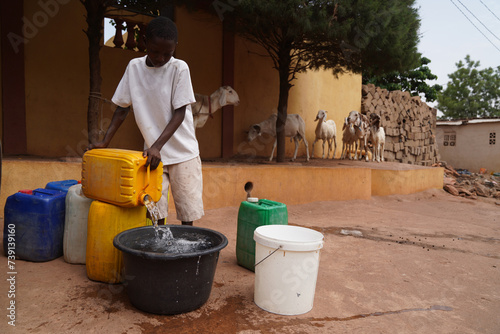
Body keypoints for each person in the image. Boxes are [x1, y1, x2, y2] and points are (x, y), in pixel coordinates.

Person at [87, 16, 203, 226]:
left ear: (175, 48)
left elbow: (179, 113)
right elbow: (122, 109)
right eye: (155, 52)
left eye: (167, 54)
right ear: (145, 43)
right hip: (152, 156)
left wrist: (156, 146)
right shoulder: (134, 68)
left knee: (187, 212)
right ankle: (158, 253)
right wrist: (105, 142)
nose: (161, 59)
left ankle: (185, 253)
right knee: (154, 212)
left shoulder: (179, 69)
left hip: (183, 154)